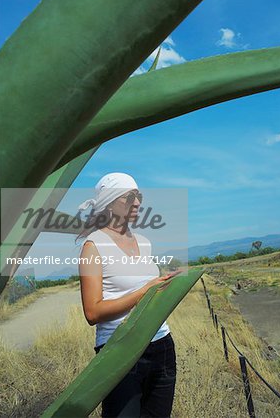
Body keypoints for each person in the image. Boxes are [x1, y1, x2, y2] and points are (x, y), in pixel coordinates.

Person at [75, 172, 179, 418]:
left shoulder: (144, 242)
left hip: (162, 345)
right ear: (110, 203)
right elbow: (92, 312)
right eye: (130, 197)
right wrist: (144, 291)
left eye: (139, 196)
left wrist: (168, 285)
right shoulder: (93, 247)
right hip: (120, 351)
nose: (138, 202)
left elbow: (149, 288)